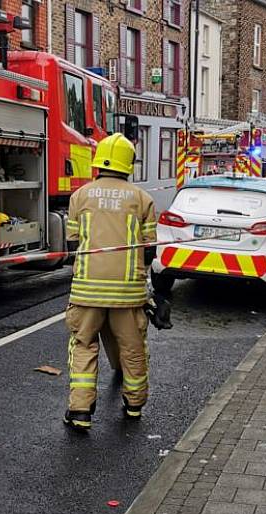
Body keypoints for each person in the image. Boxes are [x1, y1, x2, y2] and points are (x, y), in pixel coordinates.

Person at [63, 133, 157, 432]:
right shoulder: (143, 199)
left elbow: (72, 243)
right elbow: (150, 250)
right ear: (128, 163)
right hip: (127, 294)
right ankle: (133, 406)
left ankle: (80, 411)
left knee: (84, 345)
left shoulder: (81, 196)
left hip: (87, 291)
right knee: (132, 348)